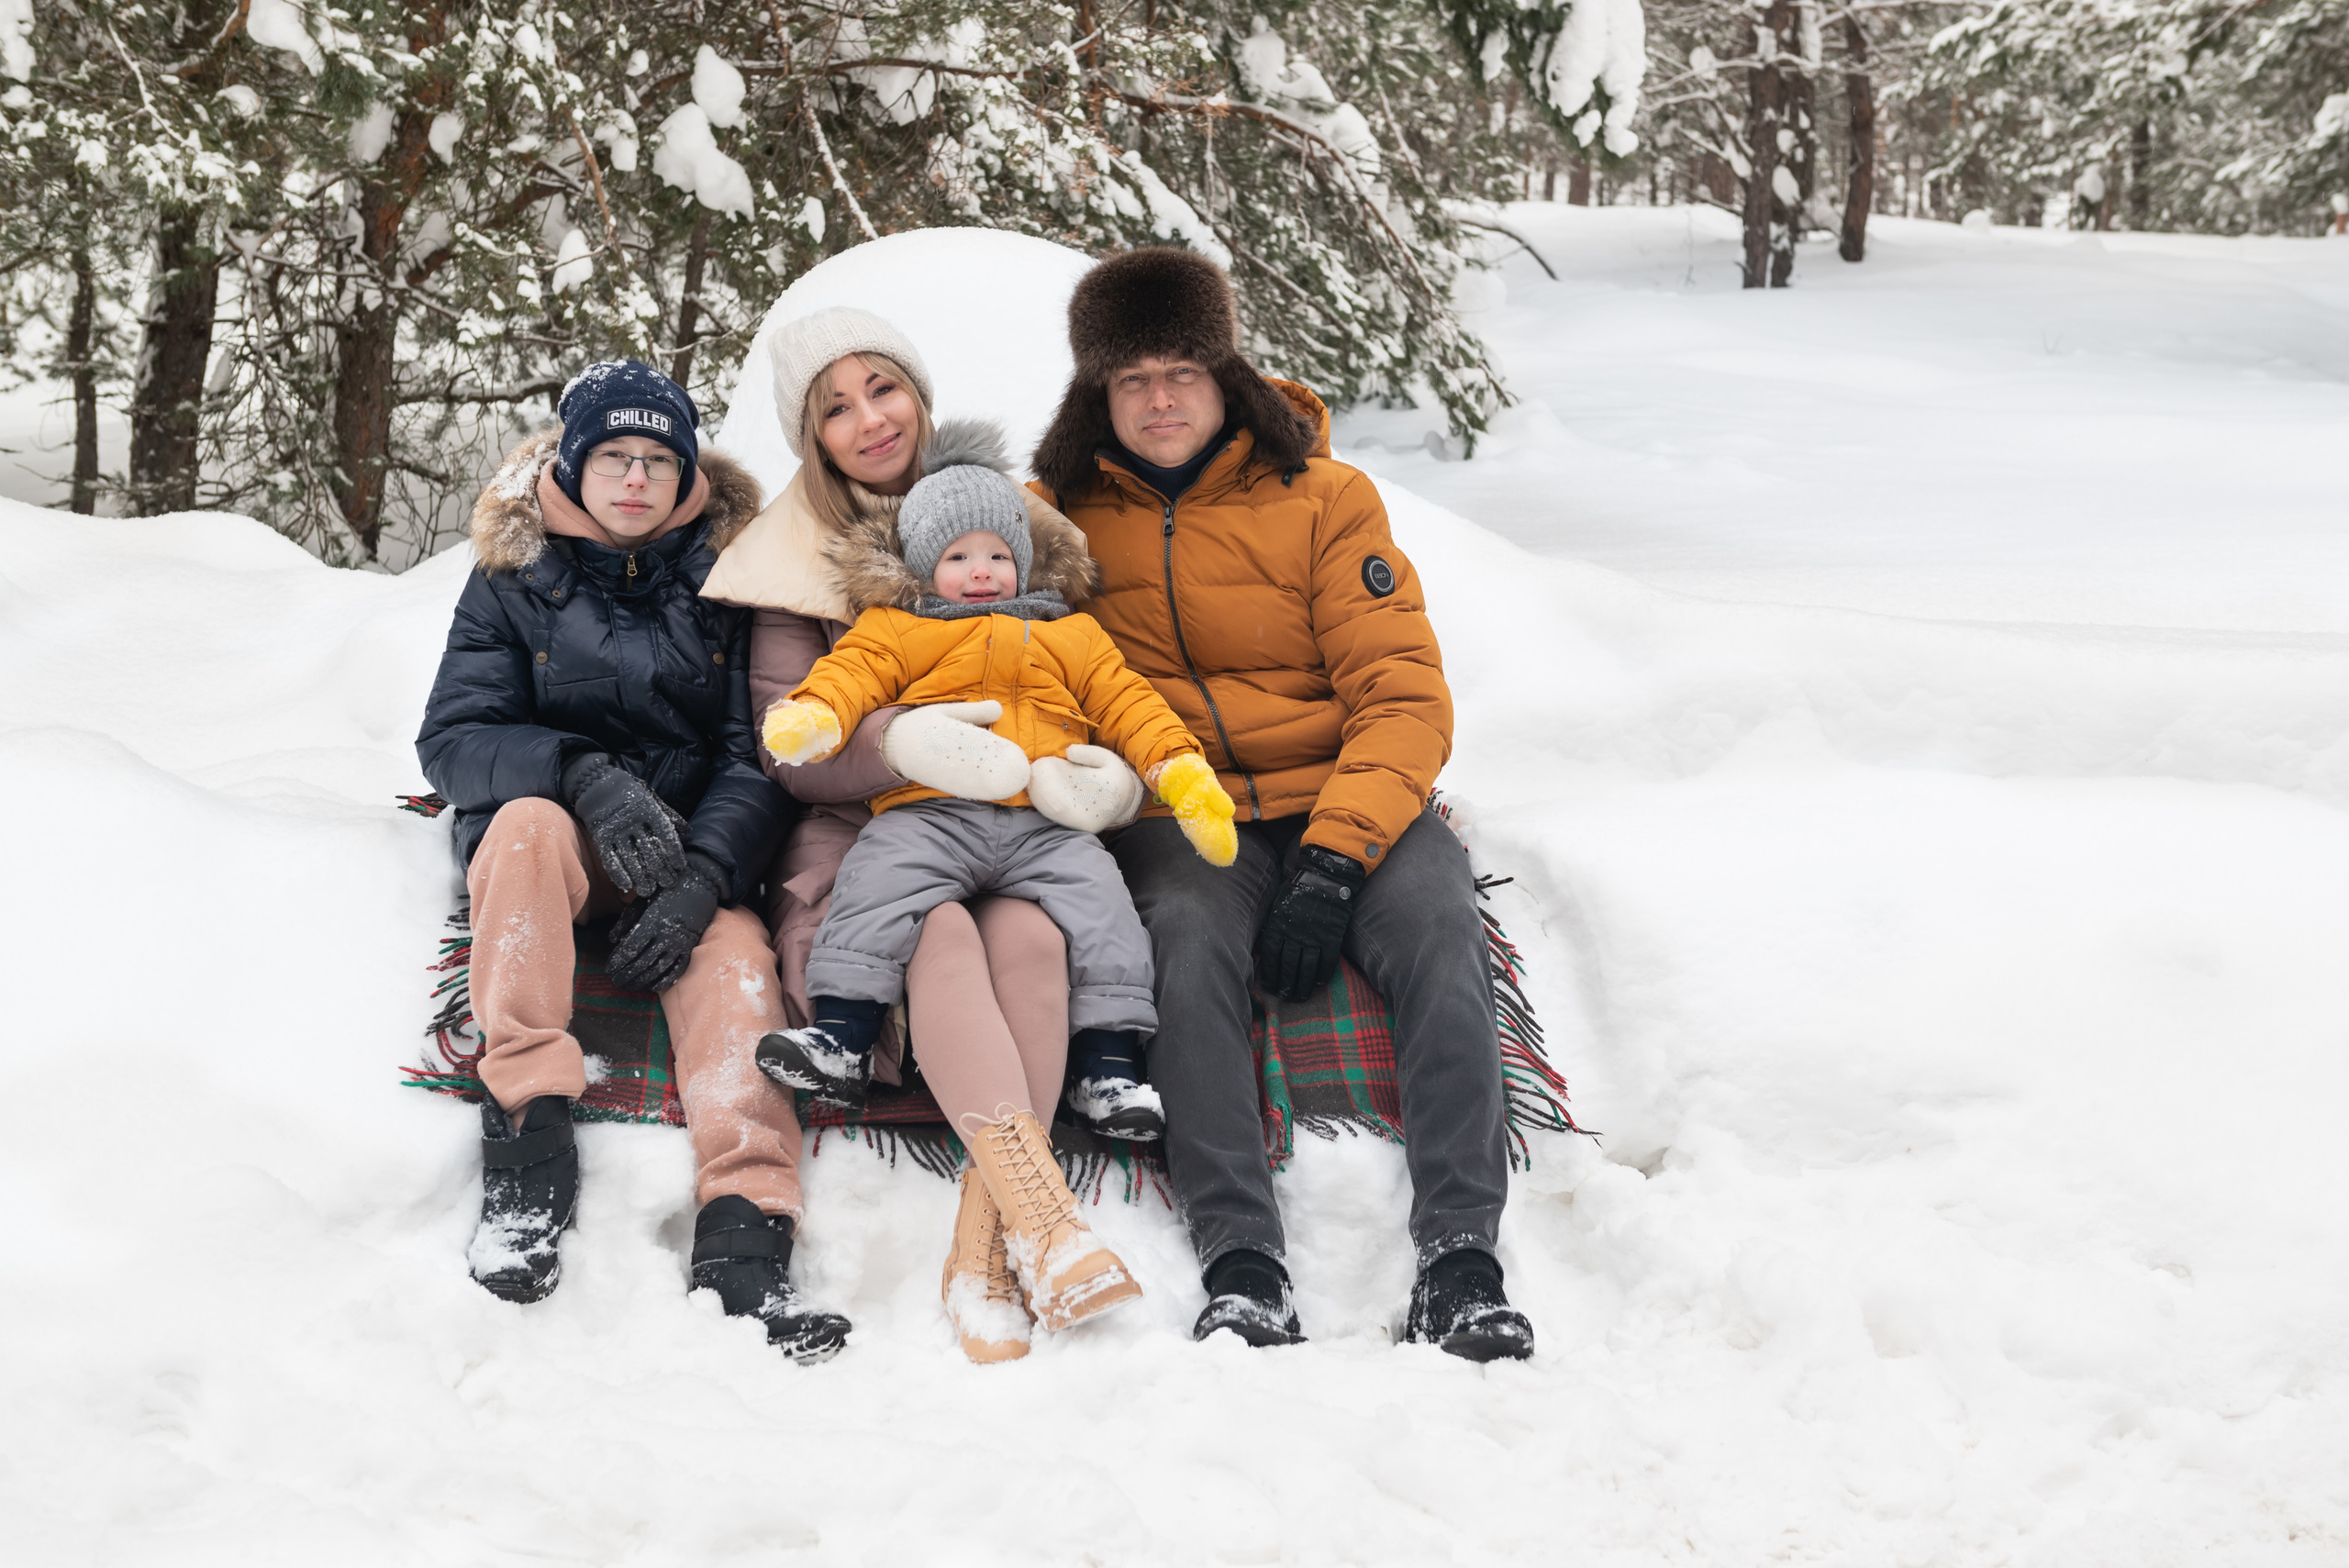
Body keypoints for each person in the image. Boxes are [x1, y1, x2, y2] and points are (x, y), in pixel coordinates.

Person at [1030, 249, 1538, 1362]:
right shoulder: (1058, 521)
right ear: (1096, 395)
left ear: (1226, 373)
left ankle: (1461, 1256)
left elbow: (1402, 694)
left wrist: (1337, 860)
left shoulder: (1323, 497)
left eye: (1181, 370)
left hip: (1342, 789)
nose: (1159, 399)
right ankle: (1241, 1259)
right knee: (1180, 939)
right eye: (1130, 379)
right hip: (1184, 808)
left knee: (1440, 928)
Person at [698, 309, 1159, 1362]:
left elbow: (1087, 675)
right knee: (939, 936)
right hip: (867, 832)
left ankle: (985, 1247)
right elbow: (792, 742)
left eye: (884, 388)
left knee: (1038, 939)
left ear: (920, 391)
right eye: (836, 405)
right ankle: (1042, 1221)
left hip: (1017, 817)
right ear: (810, 433)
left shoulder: (1013, 524)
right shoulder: (790, 560)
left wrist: (1100, 772)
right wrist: (904, 742)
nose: (869, 419)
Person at [416, 360, 851, 1362]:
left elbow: (759, 752)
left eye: (659, 458)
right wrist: (581, 773)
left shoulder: (735, 570)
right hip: (560, 835)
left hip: (691, 847)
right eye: (615, 454)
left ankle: (747, 1226)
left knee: (739, 976)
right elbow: (453, 738)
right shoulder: (512, 572)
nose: (637, 478)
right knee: (519, 827)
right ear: (574, 461)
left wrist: (704, 877)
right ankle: (528, 1137)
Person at [755, 447, 1240, 1331]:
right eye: (958, 556)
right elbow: (847, 679)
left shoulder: (1071, 634)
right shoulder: (898, 626)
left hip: (1044, 819)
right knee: (879, 880)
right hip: (932, 809)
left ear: (1024, 557)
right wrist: (817, 717)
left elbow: (1130, 703)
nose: (981, 572)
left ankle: (1105, 1065)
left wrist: (1167, 775)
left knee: (1100, 907)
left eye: (997, 554)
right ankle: (843, 1029)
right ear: (921, 567)